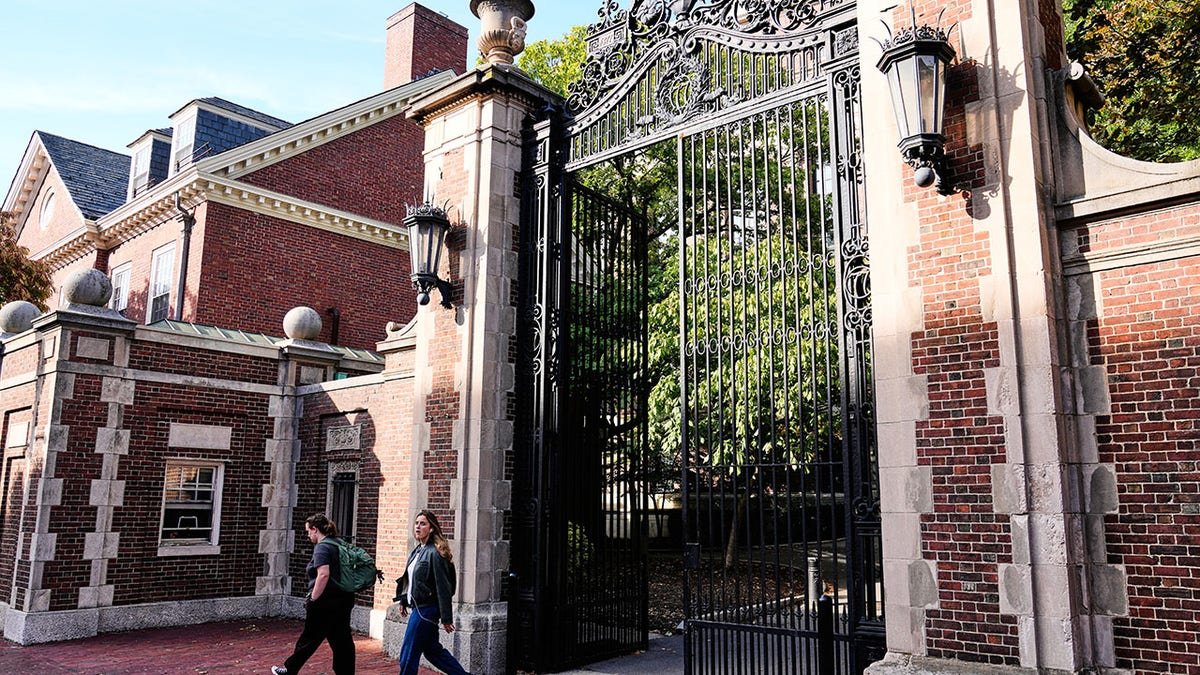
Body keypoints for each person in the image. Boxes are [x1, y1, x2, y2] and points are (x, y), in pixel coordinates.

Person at [271, 514, 355, 675]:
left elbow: (323, 574)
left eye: (308, 531)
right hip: (343, 600)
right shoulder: (339, 544)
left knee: (309, 638)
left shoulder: (322, 547)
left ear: (315, 530)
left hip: (324, 602)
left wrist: (313, 599)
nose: (308, 535)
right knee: (342, 641)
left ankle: (289, 670)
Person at [396, 509, 469, 675]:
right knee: (433, 652)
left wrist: (446, 617)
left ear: (431, 528)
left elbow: (443, 588)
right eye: (416, 523)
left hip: (425, 611)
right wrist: (403, 600)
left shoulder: (435, 553)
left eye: (422, 524)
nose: (418, 527)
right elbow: (411, 579)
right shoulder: (418, 550)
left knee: (408, 655)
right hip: (418, 608)